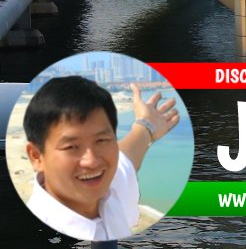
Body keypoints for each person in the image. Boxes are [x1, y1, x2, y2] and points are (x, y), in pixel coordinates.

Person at [23, 76, 180, 241]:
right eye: (71, 147)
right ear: (36, 156)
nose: (92, 161)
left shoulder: (109, 188)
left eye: (101, 140)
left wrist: (147, 125)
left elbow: (126, 158)